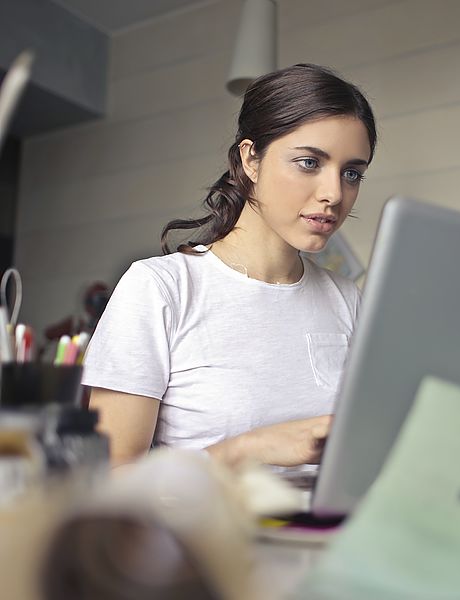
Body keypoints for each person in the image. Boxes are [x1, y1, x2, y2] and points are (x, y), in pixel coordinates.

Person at [83, 63, 377, 469]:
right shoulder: (160, 288)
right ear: (251, 159)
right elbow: (108, 481)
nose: (333, 193)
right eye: (309, 162)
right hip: (208, 532)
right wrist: (245, 449)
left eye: (351, 173)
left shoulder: (349, 301)